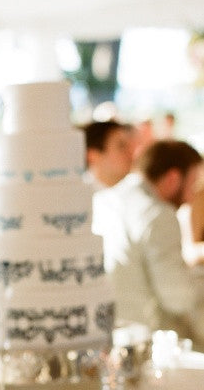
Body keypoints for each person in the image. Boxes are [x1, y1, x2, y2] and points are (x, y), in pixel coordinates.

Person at [94, 139, 204, 344]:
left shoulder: (105, 199)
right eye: (192, 185)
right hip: (147, 341)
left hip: (109, 332)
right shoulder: (157, 214)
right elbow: (177, 298)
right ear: (173, 178)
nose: (191, 199)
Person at [81, 120, 134, 191]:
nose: (130, 152)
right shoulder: (79, 195)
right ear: (93, 156)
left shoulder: (133, 191)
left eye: (129, 146)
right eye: (121, 146)